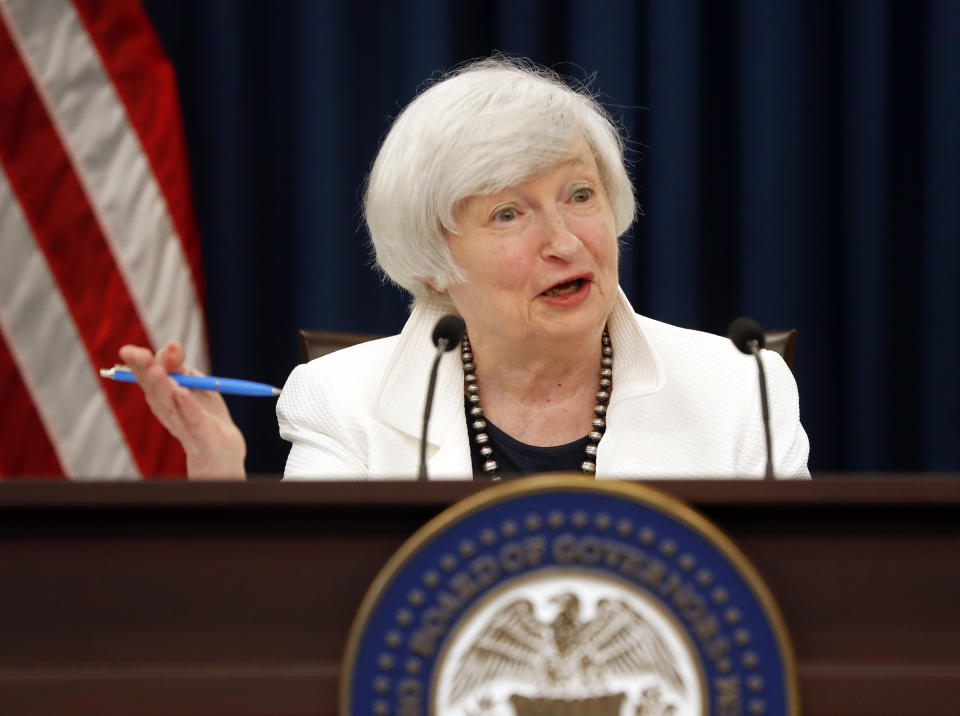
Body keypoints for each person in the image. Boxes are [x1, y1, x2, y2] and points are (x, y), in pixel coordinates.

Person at [120, 58, 809, 481]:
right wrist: (217, 484)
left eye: (580, 195)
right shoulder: (340, 402)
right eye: (510, 214)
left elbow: (795, 614)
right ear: (435, 261)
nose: (565, 240)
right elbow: (310, 630)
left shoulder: (741, 389)